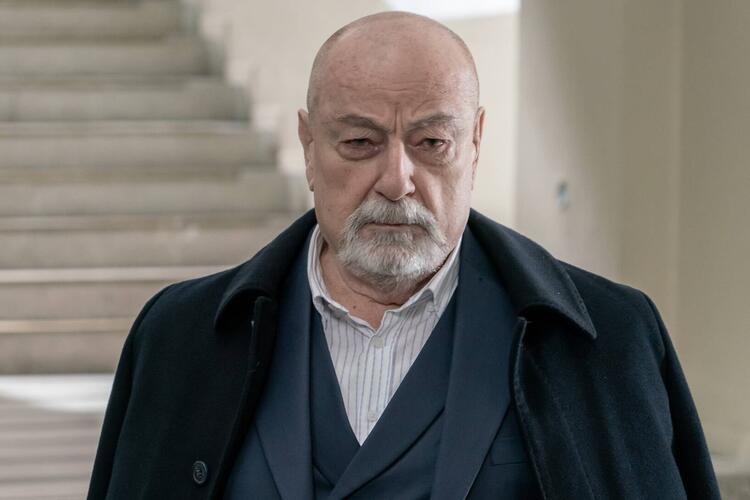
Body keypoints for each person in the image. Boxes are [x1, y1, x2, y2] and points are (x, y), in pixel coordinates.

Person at [87, 11, 720, 500]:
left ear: (475, 142)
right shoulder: (178, 338)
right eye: (360, 142)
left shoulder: (610, 340)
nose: (397, 180)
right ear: (308, 144)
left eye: (431, 142)